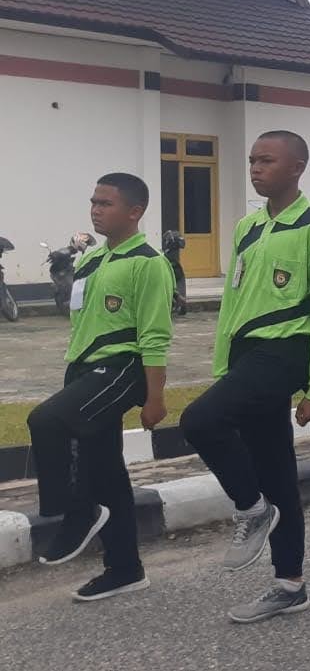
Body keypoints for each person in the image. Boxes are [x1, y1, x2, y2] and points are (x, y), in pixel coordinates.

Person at [180, 130, 310, 623]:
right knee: (276, 470)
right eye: (252, 160)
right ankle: (290, 584)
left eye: (267, 160)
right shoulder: (247, 228)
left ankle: (250, 508)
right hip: (247, 354)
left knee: (200, 420)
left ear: (297, 167)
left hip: (286, 351)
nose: (255, 168)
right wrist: (223, 363)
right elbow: (233, 298)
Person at [27, 173, 172, 602]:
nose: (95, 210)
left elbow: (155, 334)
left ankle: (77, 513)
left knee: (46, 420)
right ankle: (125, 569)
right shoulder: (91, 260)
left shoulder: (148, 262)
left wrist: (156, 396)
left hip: (122, 368)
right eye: (93, 202)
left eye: (105, 203)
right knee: (106, 469)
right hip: (85, 370)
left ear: (134, 211)